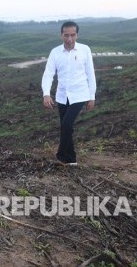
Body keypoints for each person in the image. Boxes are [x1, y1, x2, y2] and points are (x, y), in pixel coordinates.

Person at [41, 21, 96, 165]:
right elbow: (48, 74)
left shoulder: (85, 50)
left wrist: (92, 96)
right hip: (62, 95)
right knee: (66, 127)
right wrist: (46, 94)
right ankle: (71, 160)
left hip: (80, 94)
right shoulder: (55, 52)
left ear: (77, 35)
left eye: (73, 35)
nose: (69, 39)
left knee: (66, 124)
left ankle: (60, 155)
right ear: (61, 35)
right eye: (66, 35)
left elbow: (91, 74)